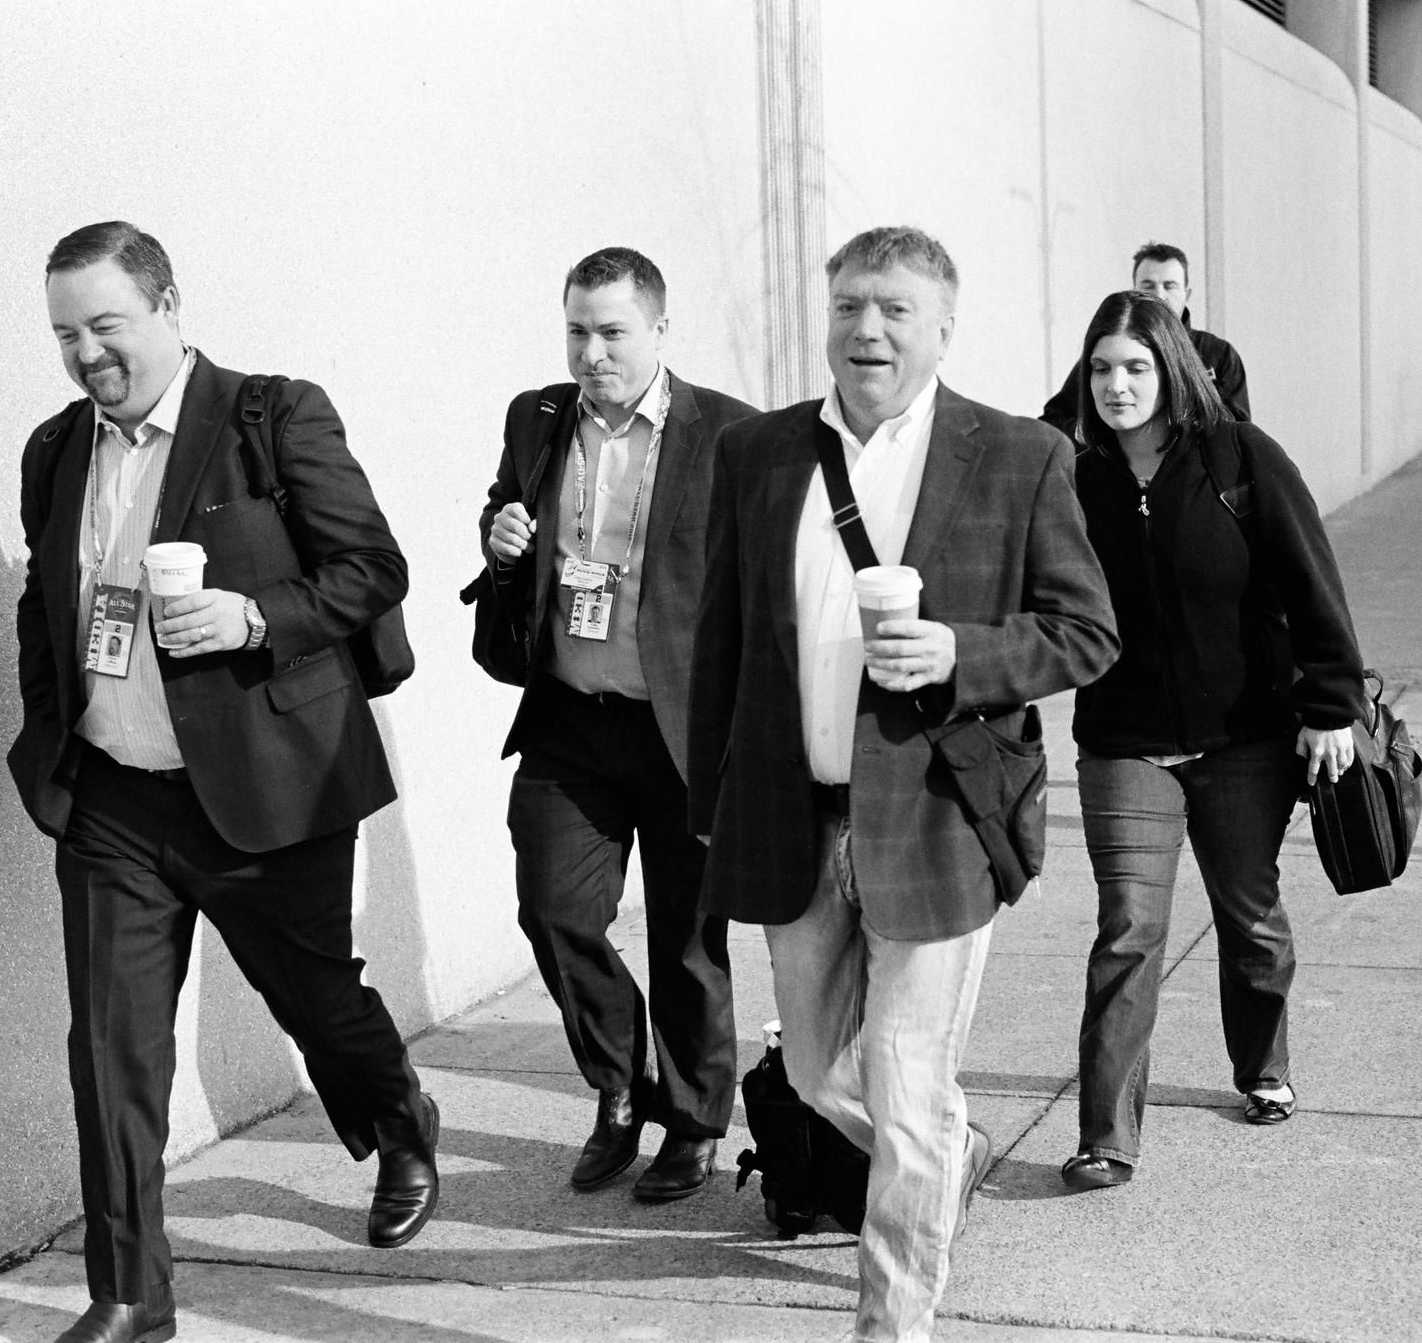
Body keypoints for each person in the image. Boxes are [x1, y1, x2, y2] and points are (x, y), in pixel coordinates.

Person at [9, 223, 437, 1343]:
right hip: (112, 800)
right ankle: (130, 1296)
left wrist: (254, 616)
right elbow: (43, 605)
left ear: (166, 304)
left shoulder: (271, 414)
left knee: (315, 1000)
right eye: (65, 332)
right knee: (110, 1051)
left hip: (263, 789)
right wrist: (47, 743)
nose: (87, 351)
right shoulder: (55, 450)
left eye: (106, 323)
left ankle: (398, 1111)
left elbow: (371, 567)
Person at [690, 226, 1119, 1341]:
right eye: (846, 306)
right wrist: (710, 805)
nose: (864, 329)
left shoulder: (1018, 454)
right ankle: (949, 1157)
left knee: (905, 1075)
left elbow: (1084, 632)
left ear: (940, 325)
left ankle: (893, 1323)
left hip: (933, 820)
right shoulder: (757, 453)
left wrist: (959, 656)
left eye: (890, 308)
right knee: (830, 1071)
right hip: (793, 817)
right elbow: (721, 642)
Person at [1059, 291, 1365, 1193]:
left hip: (1244, 740)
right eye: (1102, 368)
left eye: (1136, 368)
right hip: (1123, 741)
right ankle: (1106, 1136)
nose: (1117, 385)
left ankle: (1263, 1064)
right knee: (1129, 930)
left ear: (1173, 369)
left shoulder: (1241, 460)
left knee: (1250, 916)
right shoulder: (1072, 477)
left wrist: (1332, 707)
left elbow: (1316, 587)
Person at [479, 248, 756, 1200]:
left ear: (658, 330)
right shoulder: (539, 417)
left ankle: (695, 1119)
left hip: (682, 732)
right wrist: (502, 536)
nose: (591, 353)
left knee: (687, 939)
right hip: (569, 719)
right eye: (576, 332)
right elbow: (505, 504)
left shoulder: (728, 433)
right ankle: (622, 1086)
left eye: (611, 333)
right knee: (555, 913)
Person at [1041, 242, 1250, 436]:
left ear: (1187, 294)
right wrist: (1097, 434)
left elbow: (1237, 432)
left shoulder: (1219, 354)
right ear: (1133, 291)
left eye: (1169, 286)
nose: (1159, 295)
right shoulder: (1109, 353)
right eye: (1148, 286)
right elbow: (1054, 420)